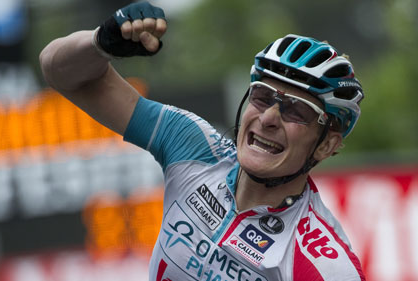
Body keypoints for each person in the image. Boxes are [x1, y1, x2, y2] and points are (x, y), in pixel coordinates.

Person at [40, 2, 365, 280]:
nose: (268, 118)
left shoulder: (323, 263)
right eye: (263, 96)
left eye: (296, 110)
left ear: (325, 145)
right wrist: (100, 43)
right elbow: (57, 70)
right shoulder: (194, 146)